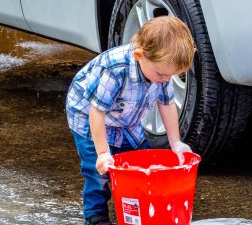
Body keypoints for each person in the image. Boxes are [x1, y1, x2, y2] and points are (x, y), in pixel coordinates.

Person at [66, 16, 196, 225]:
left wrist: (176, 143)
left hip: (125, 119)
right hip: (89, 117)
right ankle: (95, 216)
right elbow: (96, 112)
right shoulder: (115, 70)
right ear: (139, 55)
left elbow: (167, 103)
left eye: (171, 76)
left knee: (139, 163)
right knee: (98, 171)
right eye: (162, 75)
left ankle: (138, 208)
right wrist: (103, 153)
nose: (165, 80)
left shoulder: (160, 70)